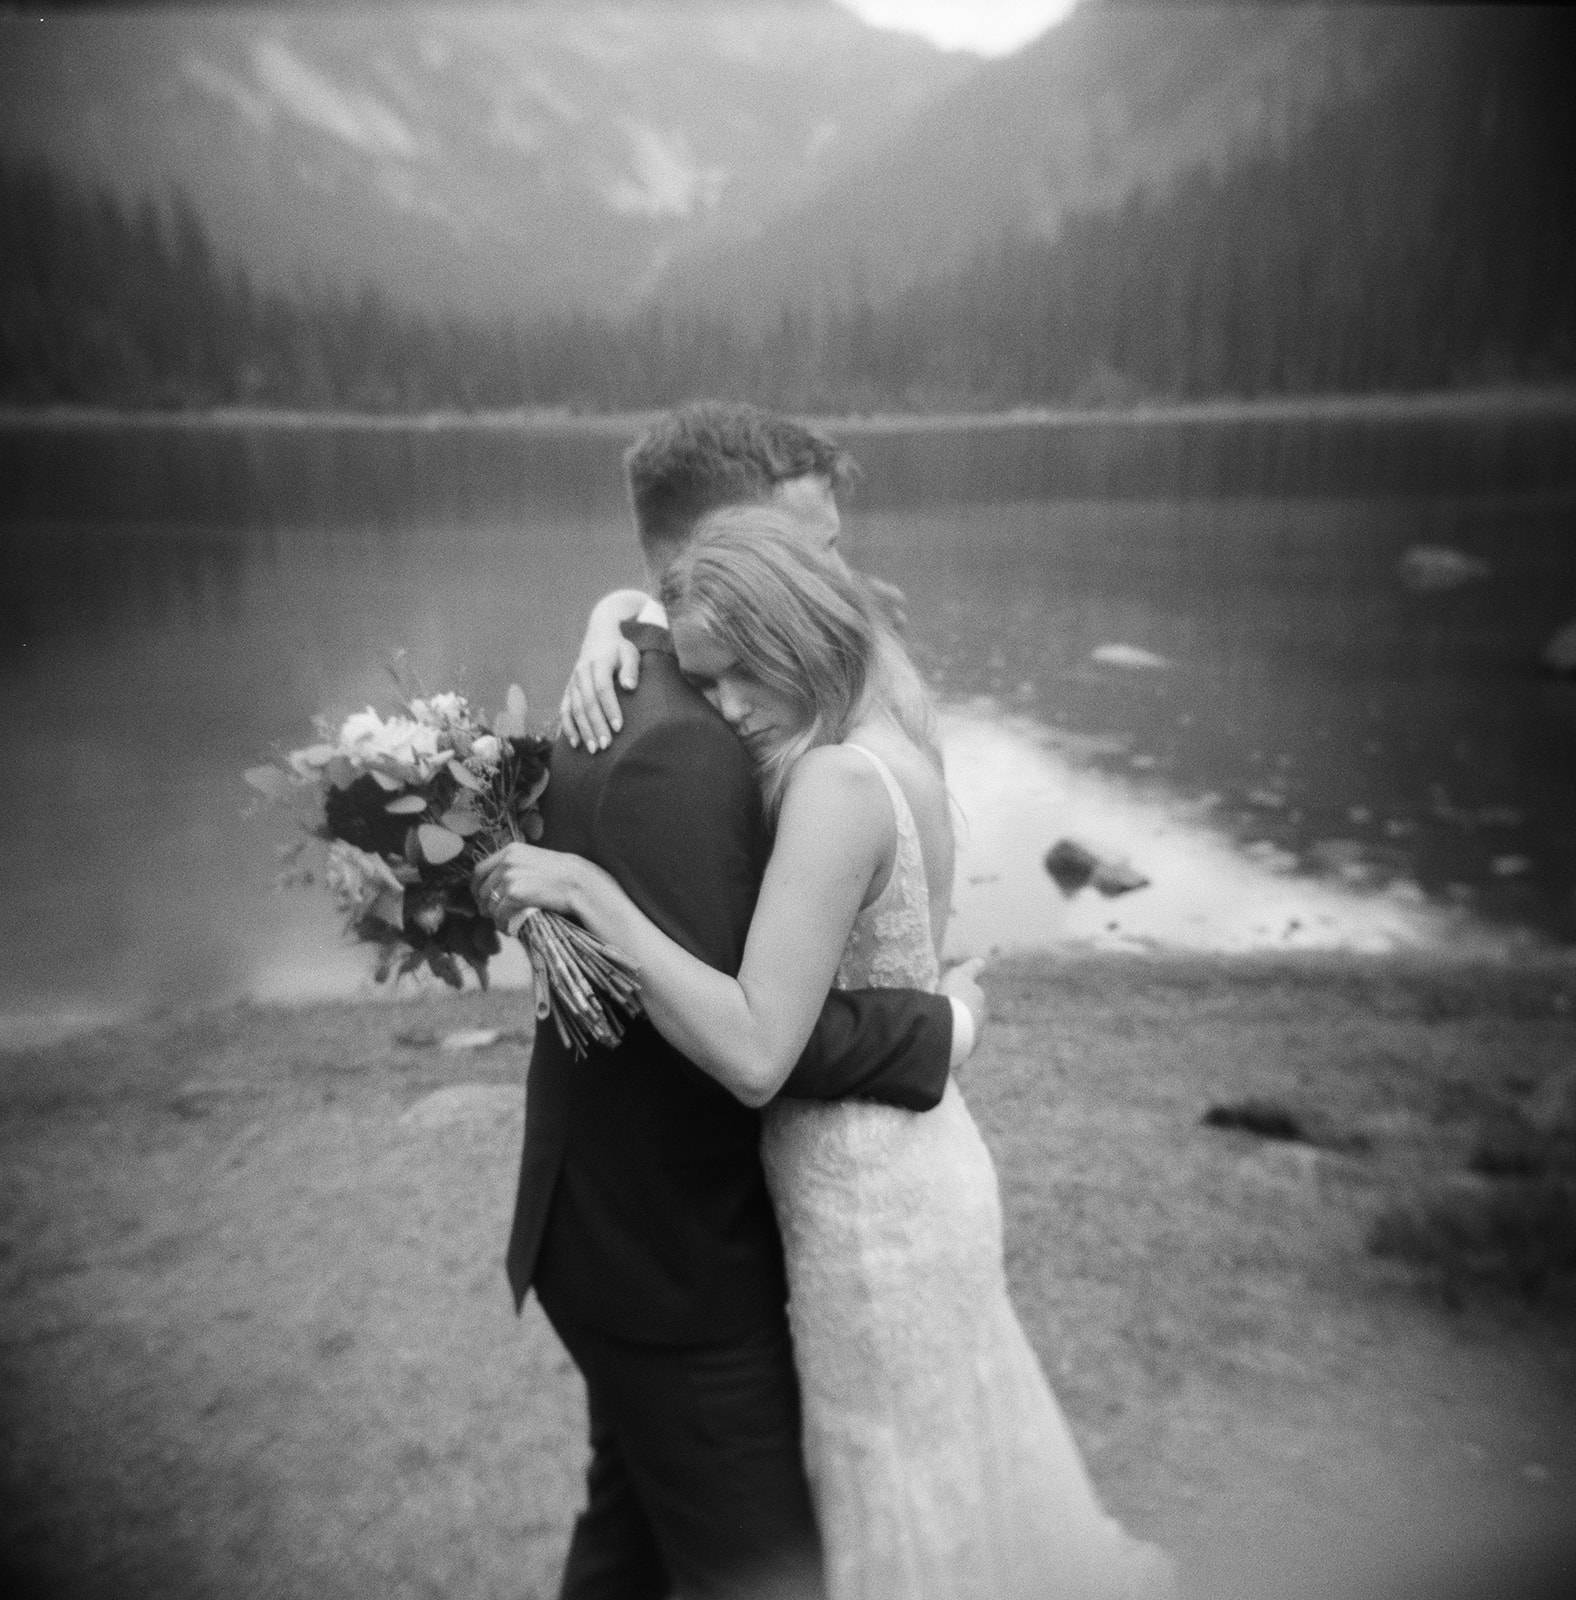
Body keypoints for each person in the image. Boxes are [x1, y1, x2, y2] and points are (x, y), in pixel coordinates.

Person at [479, 511, 1175, 1600]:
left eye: (737, 675)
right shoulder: (870, 727)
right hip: (870, 1176)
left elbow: (760, 1047)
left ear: (793, 633)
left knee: (899, 1510)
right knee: (907, 1491)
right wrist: (608, 614)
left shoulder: (835, 783)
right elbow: (655, 608)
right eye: (703, 680)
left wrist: (587, 892)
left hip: (867, 1202)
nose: (722, 708)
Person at [496, 405, 985, 1600]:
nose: (838, 576)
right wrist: (944, 1026)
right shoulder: (691, 741)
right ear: (722, 549)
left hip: (630, 1232)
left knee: (630, 1534)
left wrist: (615, 609)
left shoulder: (698, 689)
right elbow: (750, 1032)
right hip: (672, 1259)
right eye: (811, 545)